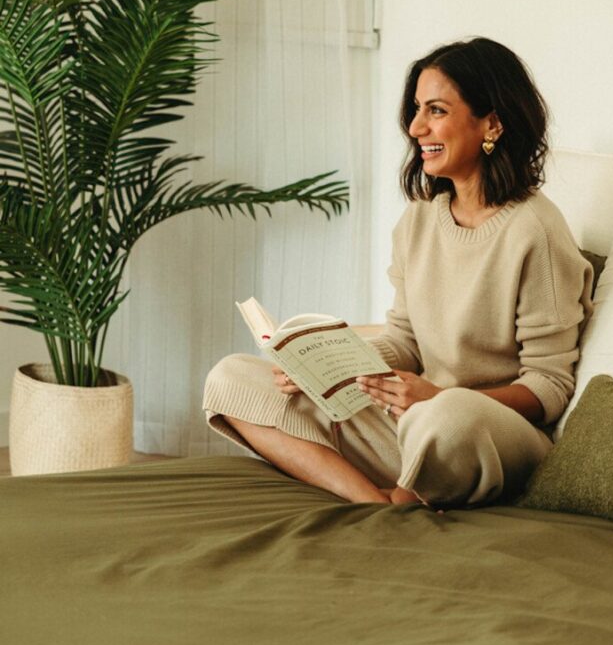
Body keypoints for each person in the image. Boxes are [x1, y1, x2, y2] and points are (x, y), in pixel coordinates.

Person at [202, 36, 592, 508]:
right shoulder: (420, 218)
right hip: (415, 420)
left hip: (485, 434)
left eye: (436, 111)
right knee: (231, 377)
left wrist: (437, 396)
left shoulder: (537, 231)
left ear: (491, 122)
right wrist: (328, 366)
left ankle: (409, 484)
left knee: (446, 415)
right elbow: (405, 340)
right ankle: (372, 500)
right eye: (415, 110)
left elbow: (548, 386)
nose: (415, 127)